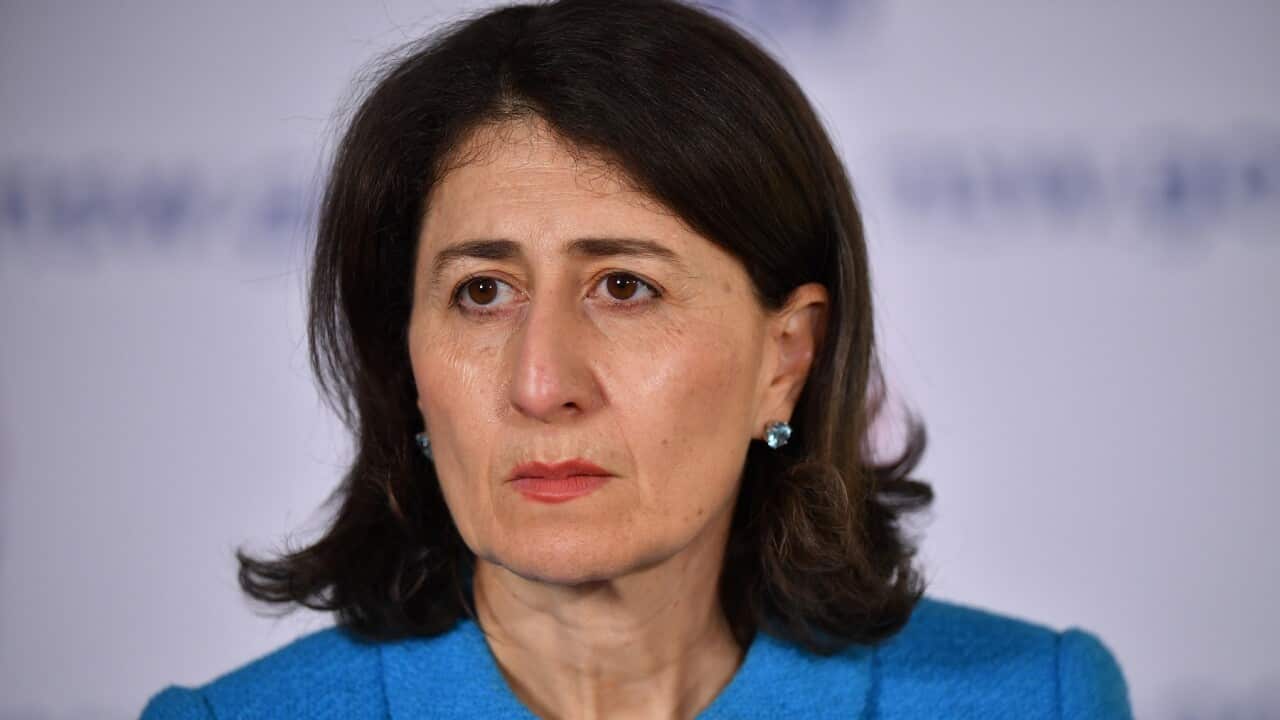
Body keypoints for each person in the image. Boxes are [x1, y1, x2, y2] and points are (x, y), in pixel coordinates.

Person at [141, 0, 1132, 717]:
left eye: (624, 287)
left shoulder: (1031, 700)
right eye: (480, 293)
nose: (540, 385)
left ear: (783, 361)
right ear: (404, 362)